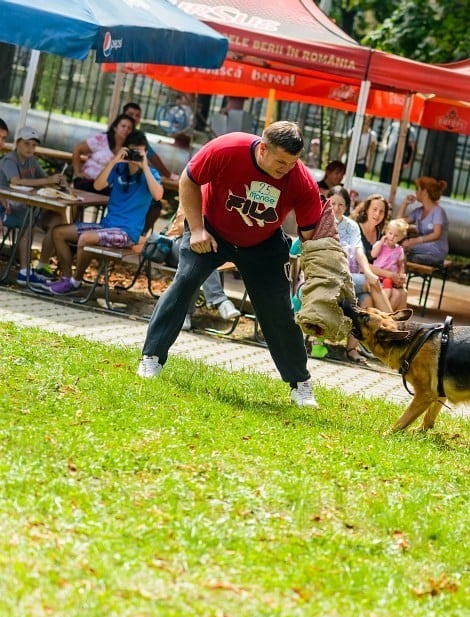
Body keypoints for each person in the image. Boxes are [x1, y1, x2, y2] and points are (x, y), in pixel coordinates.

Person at [137, 121, 337, 409]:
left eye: (292, 163)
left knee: (278, 309)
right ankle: (151, 357)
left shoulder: (300, 180)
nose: (286, 168)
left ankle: (300, 383)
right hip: (210, 231)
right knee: (186, 281)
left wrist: (319, 278)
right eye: (281, 161)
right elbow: (188, 180)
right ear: (263, 149)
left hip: (263, 243)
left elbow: (310, 238)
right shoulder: (228, 148)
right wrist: (196, 230)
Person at [47, 131, 163, 295]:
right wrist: (114, 161)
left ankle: (76, 282)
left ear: (145, 152)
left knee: (86, 238)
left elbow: (158, 195)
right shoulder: (119, 168)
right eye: (132, 151)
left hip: (127, 233)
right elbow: (98, 186)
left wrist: (145, 167)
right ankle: (66, 278)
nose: (135, 156)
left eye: (139, 152)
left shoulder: (151, 175)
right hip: (106, 225)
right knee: (58, 232)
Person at [0, 126, 70, 287]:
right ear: (17, 143)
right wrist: (48, 181)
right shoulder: (9, 160)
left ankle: (42, 266)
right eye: (27, 144)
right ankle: (24, 272)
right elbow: (16, 181)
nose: (30, 148)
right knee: (29, 219)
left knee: (57, 221)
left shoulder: (32, 160)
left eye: (34, 145)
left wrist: (59, 182)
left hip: (27, 207)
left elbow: (44, 179)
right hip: (8, 208)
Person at [329, 185, 389, 362]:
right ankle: (396, 328)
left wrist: (369, 272)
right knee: (370, 284)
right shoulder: (320, 222)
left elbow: (359, 253)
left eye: (341, 204)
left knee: (366, 300)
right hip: (328, 276)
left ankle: (351, 349)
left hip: (348, 278)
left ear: (347, 206)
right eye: (333, 203)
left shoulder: (351, 227)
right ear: (327, 203)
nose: (336, 208)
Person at [161, 208, 242, 330]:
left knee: (199, 261)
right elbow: (180, 227)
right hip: (176, 247)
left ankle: (184, 315)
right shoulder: (188, 202)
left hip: (203, 250)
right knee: (199, 258)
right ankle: (220, 301)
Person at [71, 114, 136, 193]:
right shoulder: (101, 139)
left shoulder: (130, 149)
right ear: (115, 127)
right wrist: (77, 172)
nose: (126, 129)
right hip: (87, 181)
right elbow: (77, 150)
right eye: (123, 126)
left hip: (109, 188)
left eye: (129, 128)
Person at [398, 176, 449, 268]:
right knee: (399, 252)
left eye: (418, 189)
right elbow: (398, 224)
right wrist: (404, 204)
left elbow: (437, 234)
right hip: (420, 249)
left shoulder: (438, 211)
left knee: (404, 255)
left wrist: (416, 241)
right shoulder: (418, 211)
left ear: (424, 192)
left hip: (435, 251)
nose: (416, 192)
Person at [371, 217, 408, 311]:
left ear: (401, 237)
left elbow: (401, 264)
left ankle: (382, 307)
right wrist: (381, 243)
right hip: (378, 274)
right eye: (390, 233)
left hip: (389, 278)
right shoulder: (380, 244)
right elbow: (373, 254)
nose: (392, 237)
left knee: (389, 289)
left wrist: (401, 274)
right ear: (386, 232)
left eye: (396, 235)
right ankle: (382, 307)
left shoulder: (399, 250)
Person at [354, 194, 390, 261]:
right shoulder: (354, 229)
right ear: (367, 210)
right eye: (375, 209)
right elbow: (359, 263)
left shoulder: (381, 236)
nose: (377, 214)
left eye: (381, 211)